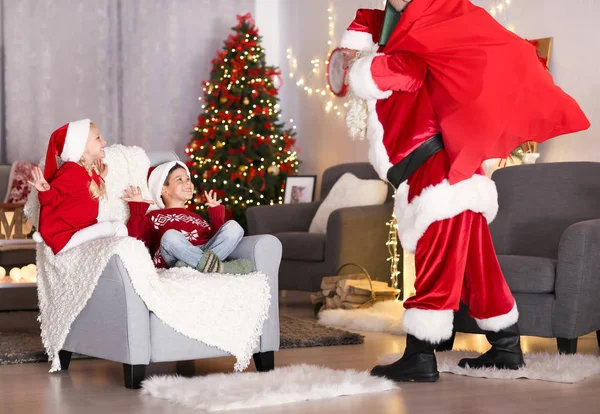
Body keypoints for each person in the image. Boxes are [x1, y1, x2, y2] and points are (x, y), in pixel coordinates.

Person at [339, 0, 590, 382]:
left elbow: (400, 73)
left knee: (435, 265)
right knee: (479, 268)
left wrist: (361, 67)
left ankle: (420, 355)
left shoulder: (410, 49)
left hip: (439, 177)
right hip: (447, 173)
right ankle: (506, 348)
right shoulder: (407, 40)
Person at [124, 161, 252, 274]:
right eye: (179, 179)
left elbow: (215, 240)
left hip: (201, 253)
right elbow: (136, 242)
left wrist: (216, 215)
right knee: (170, 236)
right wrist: (137, 209)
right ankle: (216, 267)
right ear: (164, 190)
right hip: (174, 256)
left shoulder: (198, 218)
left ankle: (192, 266)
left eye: (188, 179)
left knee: (234, 227)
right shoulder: (154, 216)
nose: (188, 183)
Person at [28, 119, 128, 255]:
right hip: (65, 238)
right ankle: (117, 257)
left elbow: (81, 190)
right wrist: (45, 190)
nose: (104, 142)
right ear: (81, 145)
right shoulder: (71, 170)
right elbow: (54, 197)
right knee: (110, 228)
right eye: (98, 138)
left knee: (119, 226)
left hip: (80, 230)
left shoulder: (87, 171)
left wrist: (100, 178)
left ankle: (120, 259)